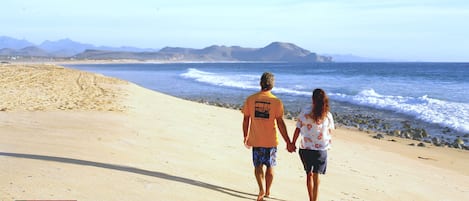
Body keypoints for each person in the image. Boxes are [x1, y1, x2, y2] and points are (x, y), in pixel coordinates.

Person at [242, 72, 295, 201]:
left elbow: (246, 120)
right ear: (272, 85)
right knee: (270, 166)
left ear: (260, 83)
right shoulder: (276, 102)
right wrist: (288, 141)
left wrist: (245, 136)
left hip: (256, 139)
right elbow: (280, 123)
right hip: (271, 140)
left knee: (258, 166)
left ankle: (261, 188)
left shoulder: (251, 99)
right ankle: (268, 190)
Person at [292, 88, 334, 201]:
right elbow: (330, 131)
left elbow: (297, 128)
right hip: (321, 150)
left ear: (312, 99)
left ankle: (311, 199)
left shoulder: (305, 112)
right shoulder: (327, 115)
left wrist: (292, 143)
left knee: (308, 174)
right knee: (316, 176)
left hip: (306, 149)